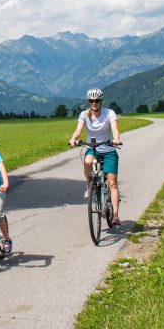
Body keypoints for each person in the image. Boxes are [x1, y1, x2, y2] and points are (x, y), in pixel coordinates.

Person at [68, 87, 123, 226]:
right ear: (89, 102)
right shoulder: (84, 115)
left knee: (112, 183)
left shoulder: (109, 113)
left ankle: (115, 215)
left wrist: (116, 139)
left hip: (108, 149)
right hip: (93, 148)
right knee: (87, 162)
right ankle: (90, 185)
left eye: (97, 100)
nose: (94, 103)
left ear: (101, 101)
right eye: (92, 101)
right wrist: (73, 139)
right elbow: (78, 130)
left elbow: (115, 129)